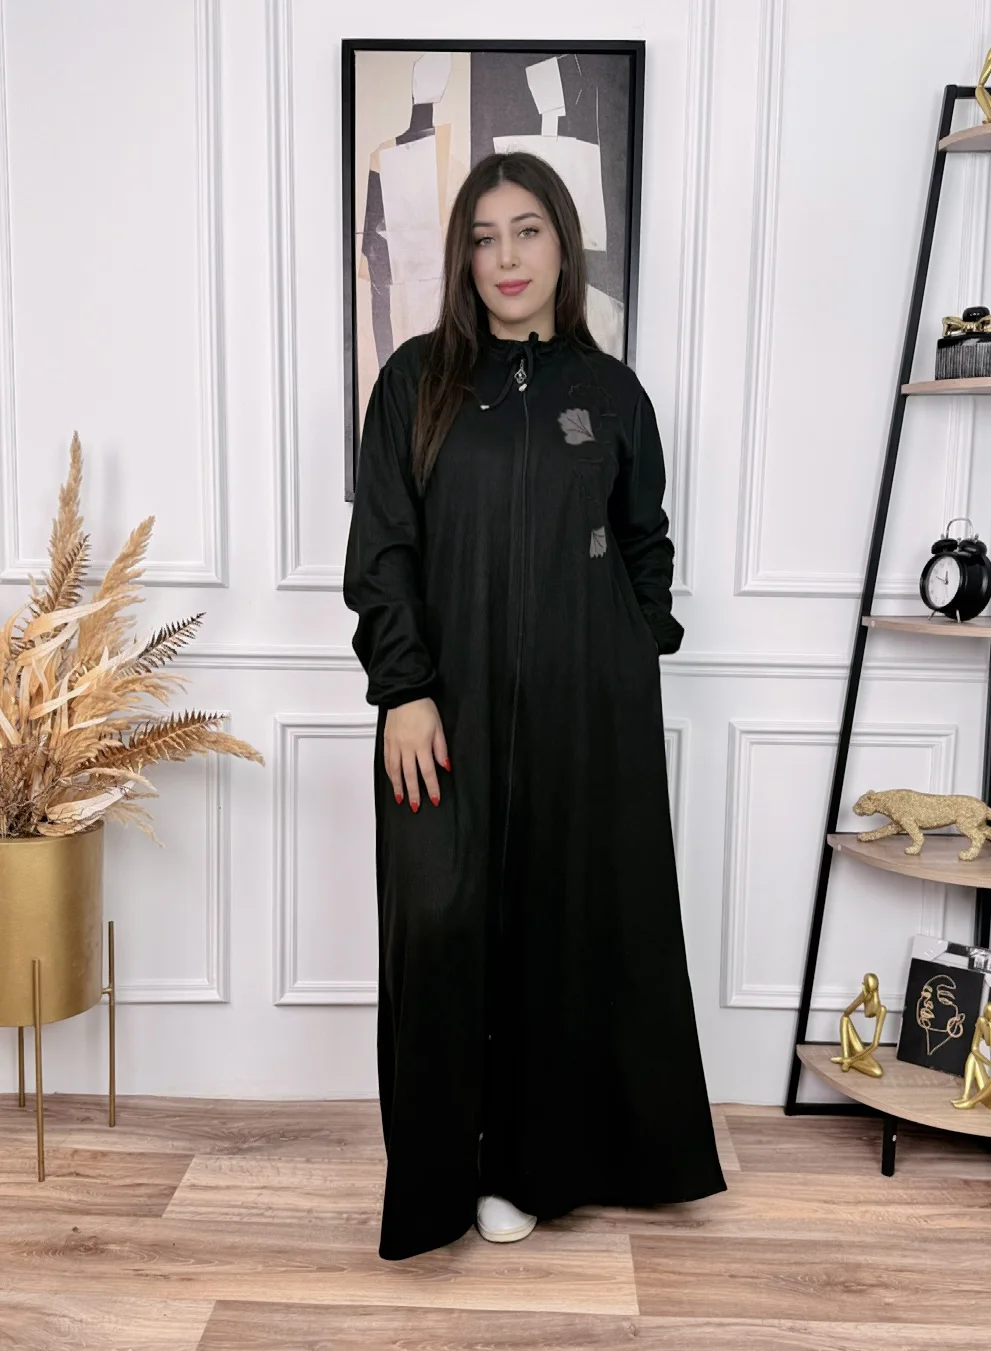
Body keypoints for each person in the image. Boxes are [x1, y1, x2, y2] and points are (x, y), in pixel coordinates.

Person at [343, 150, 726, 1263]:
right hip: (443, 715)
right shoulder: (415, 381)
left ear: (563, 244)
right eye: (482, 237)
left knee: (565, 933)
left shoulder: (610, 394)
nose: (504, 258)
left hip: (584, 713)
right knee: (441, 928)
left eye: (526, 232)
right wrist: (404, 689)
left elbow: (645, 538)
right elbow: (382, 549)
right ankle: (438, 1181)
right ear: (462, 257)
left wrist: (633, 646)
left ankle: (530, 1167)